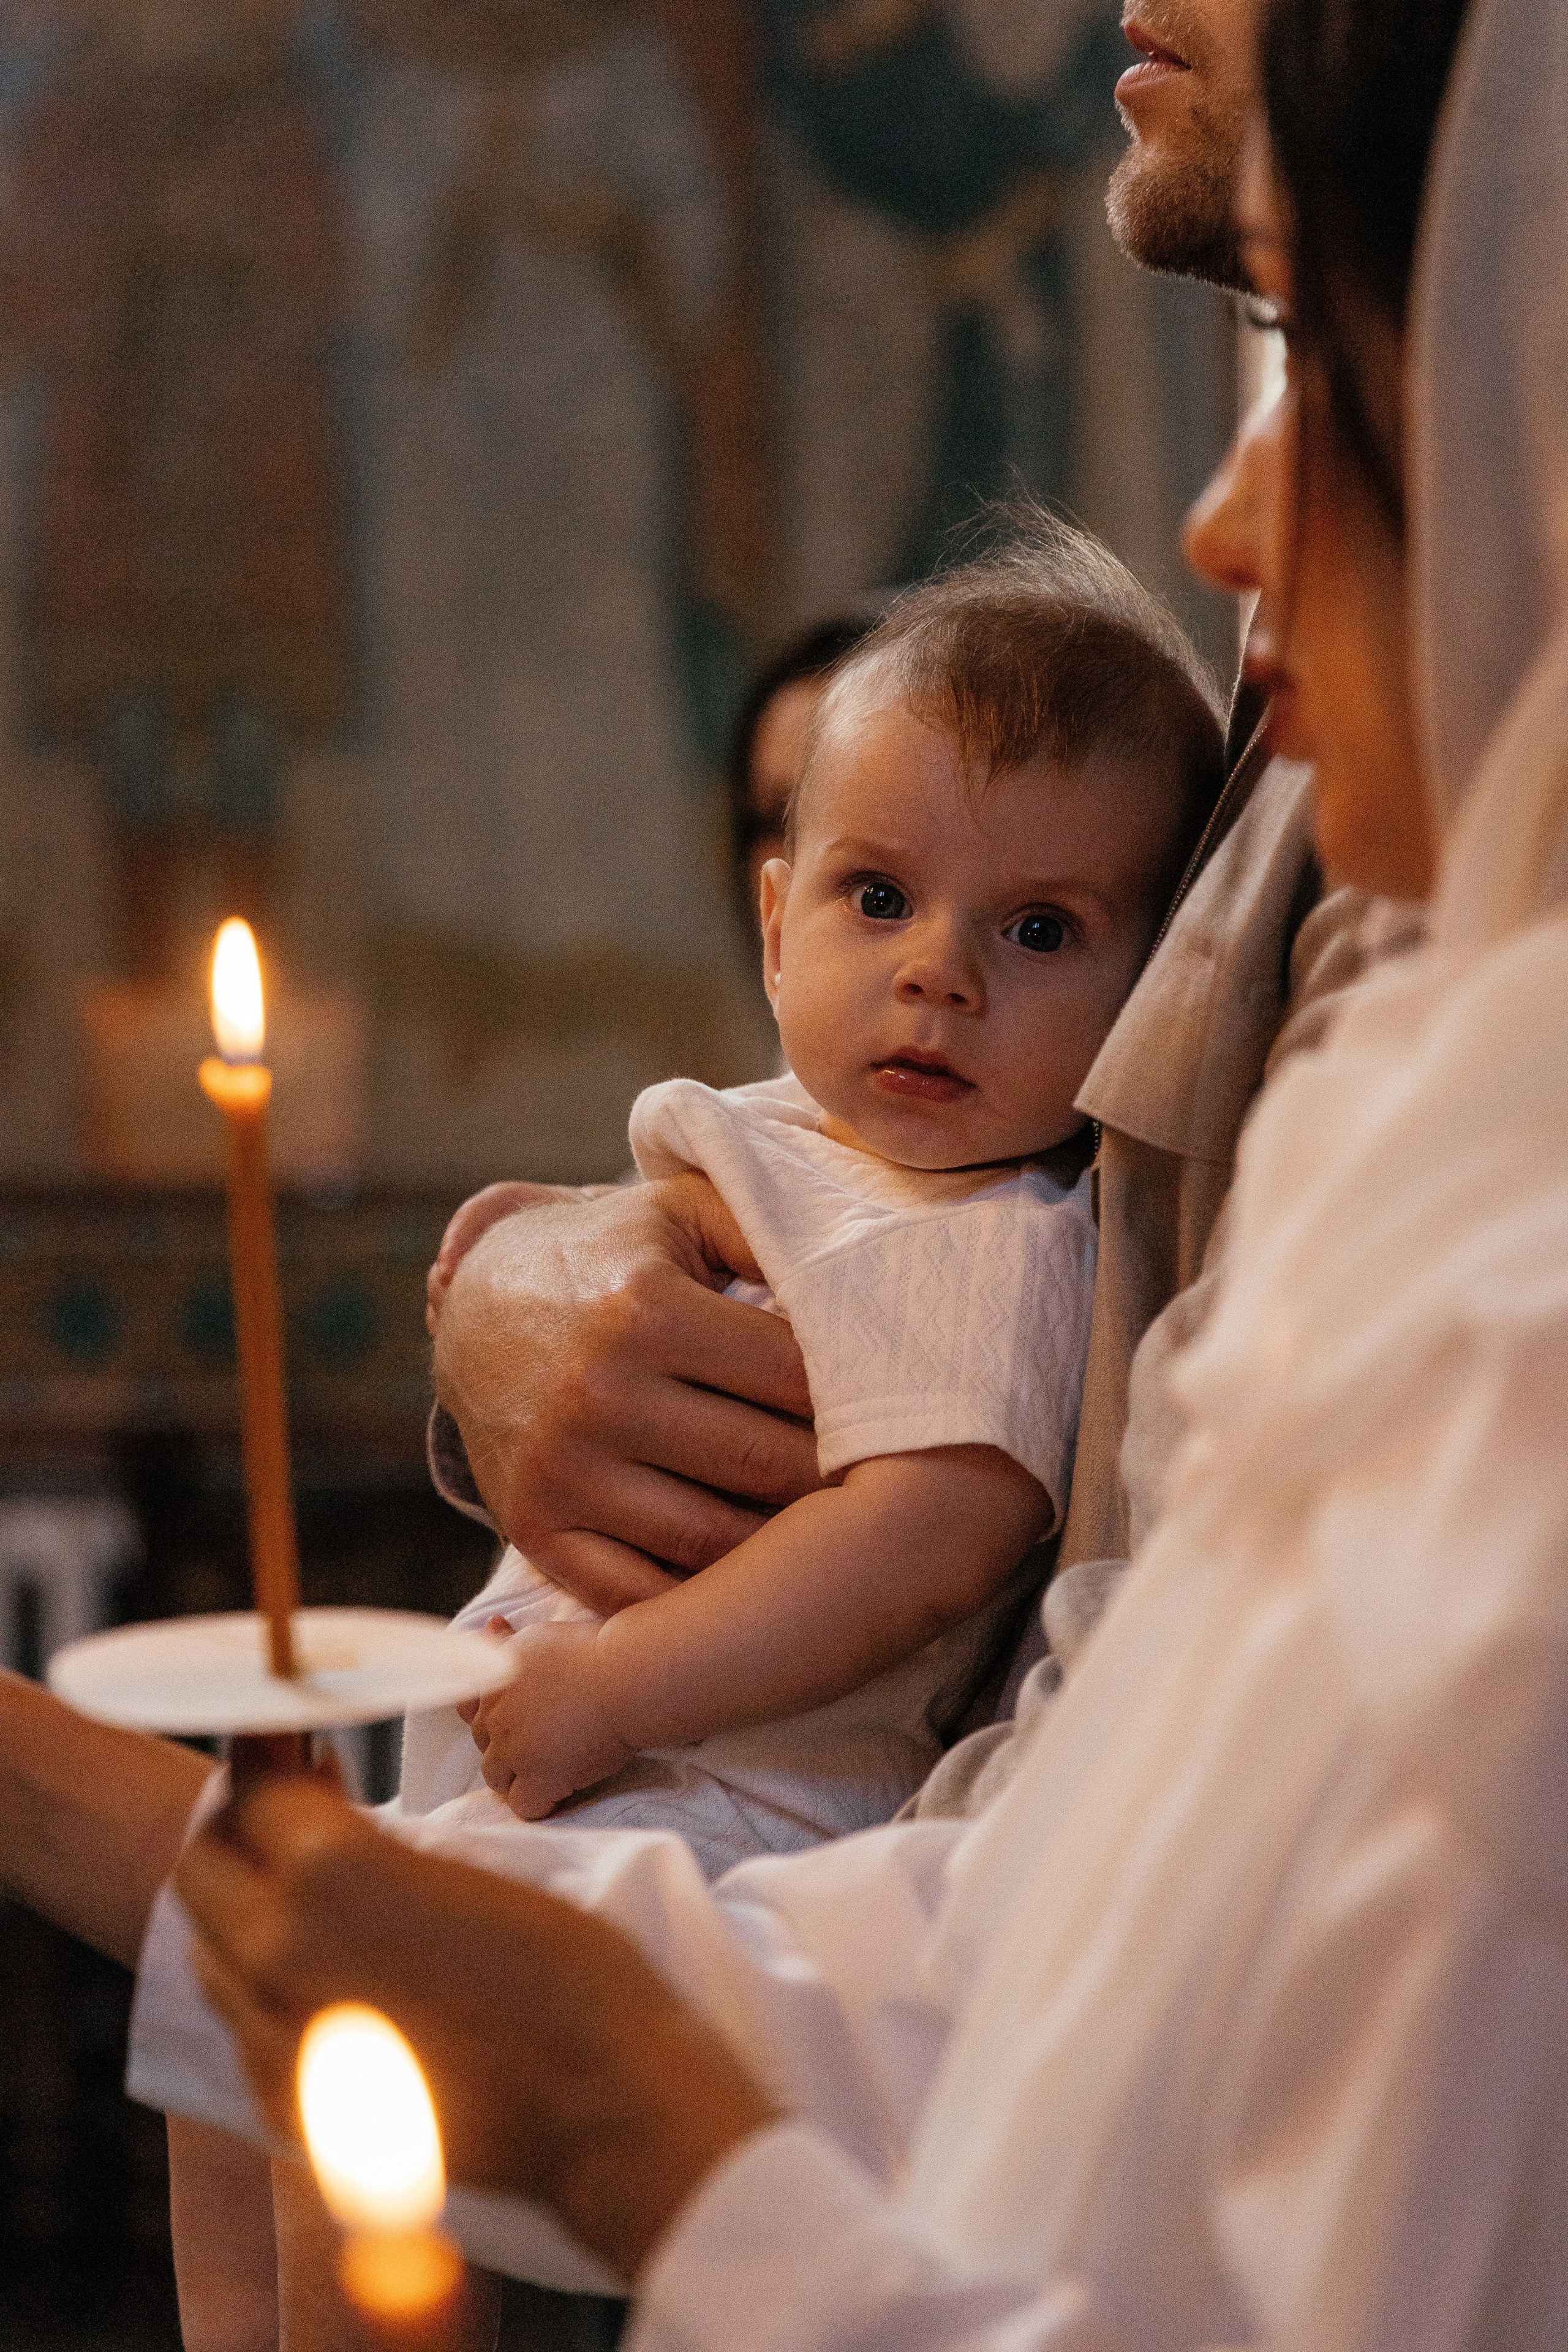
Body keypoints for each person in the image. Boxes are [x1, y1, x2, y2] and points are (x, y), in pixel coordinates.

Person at [160, 1, 1568, 2342]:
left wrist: (655, 2138)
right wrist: (517, 1279)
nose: (1227, 520)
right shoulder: (1427, 1000)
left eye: (1330, 354)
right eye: (871, 900)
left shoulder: (1503, 1313)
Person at [398, 523, 1222, 1868]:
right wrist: (513, 1242)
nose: (939, 973)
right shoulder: (825, 1147)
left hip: (715, 1800)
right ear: (780, 929)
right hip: (595, 1773)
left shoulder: (992, 1236)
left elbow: (926, 1536)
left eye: (1038, 930)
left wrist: (612, 1692)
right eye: (881, 896)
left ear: (1150, 996)